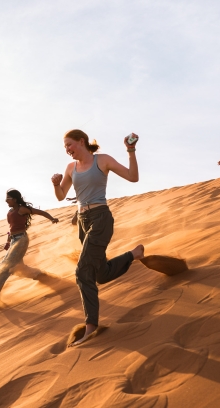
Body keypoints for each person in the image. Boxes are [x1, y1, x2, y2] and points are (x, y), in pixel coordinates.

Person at [51, 130, 145, 346]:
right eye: (64, 147)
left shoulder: (101, 160)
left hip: (101, 219)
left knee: (82, 271)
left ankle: (90, 326)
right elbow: (60, 195)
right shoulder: (70, 168)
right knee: (100, 274)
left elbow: (133, 177)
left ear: (81, 141)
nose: (67, 150)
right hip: (83, 222)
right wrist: (56, 183)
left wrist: (130, 151)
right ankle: (133, 254)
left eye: (69, 145)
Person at [0, 189, 60, 303]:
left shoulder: (21, 209)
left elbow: (40, 212)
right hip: (14, 240)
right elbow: (11, 228)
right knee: (19, 268)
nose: (5, 201)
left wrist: (52, 218)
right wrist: (8, 241)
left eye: (7, 198)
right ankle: (42, 276)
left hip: (21, 240)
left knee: (6, 266)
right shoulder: (10, 211)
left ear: (14, 199)